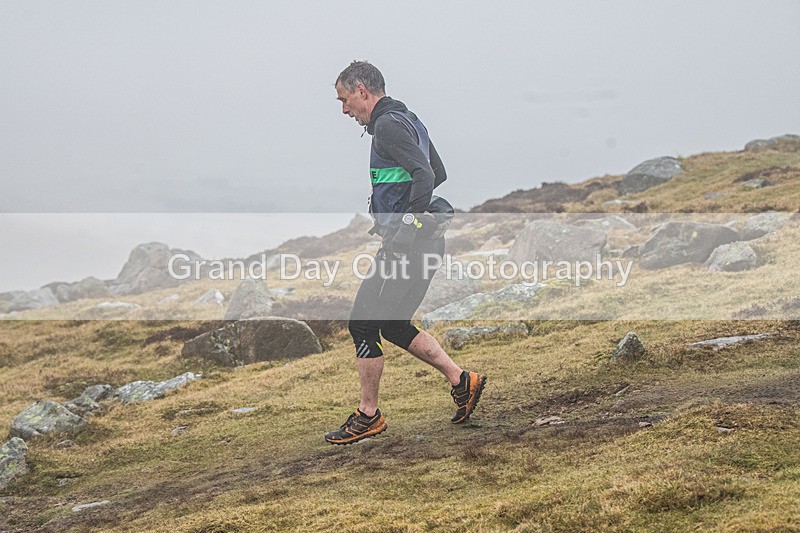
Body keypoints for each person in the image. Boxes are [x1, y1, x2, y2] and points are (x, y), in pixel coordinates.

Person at [324, 60, 486, 445]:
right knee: (393, 324)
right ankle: (463, 381)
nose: (344, 110)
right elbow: (437, 171)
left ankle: (368, 415)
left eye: (344, 100)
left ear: (362, 90)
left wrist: (405, 228)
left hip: (408, 246)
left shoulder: (389, 125)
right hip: (421, 243)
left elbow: (427, 176)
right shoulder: (407, 118)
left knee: (363, 323)